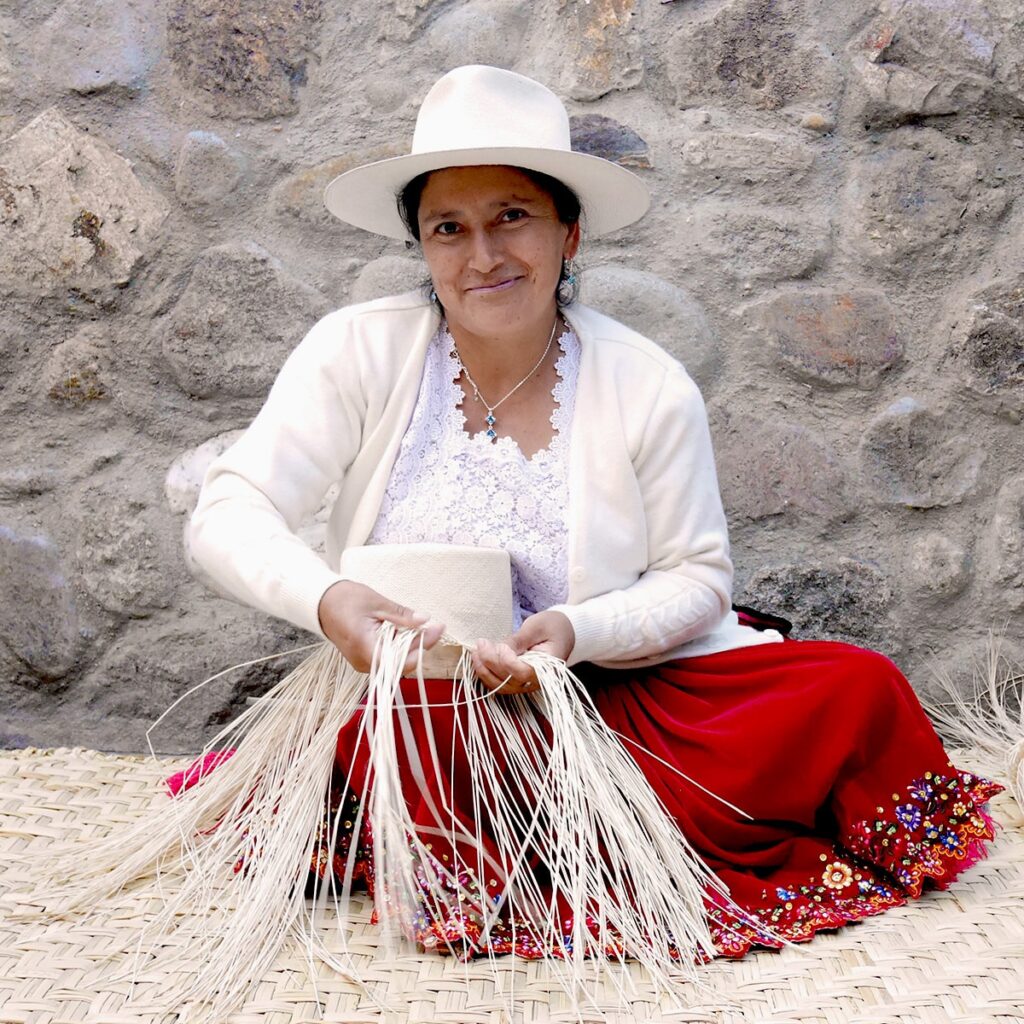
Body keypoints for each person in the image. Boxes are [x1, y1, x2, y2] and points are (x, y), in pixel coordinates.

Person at [182, 65, 1002, 960]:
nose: (482, 256)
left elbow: (699, 577)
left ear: (569, 232)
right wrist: (330, 601)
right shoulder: (356, 352)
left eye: (512, 218)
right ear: (420, 247)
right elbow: (231, 508)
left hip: (605, 697)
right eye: (447, 228)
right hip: (426, 698)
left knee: (857, 685)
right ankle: (498, 836)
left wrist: (572, 633)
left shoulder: (646, 382)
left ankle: (566, 828)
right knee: (433, 726)